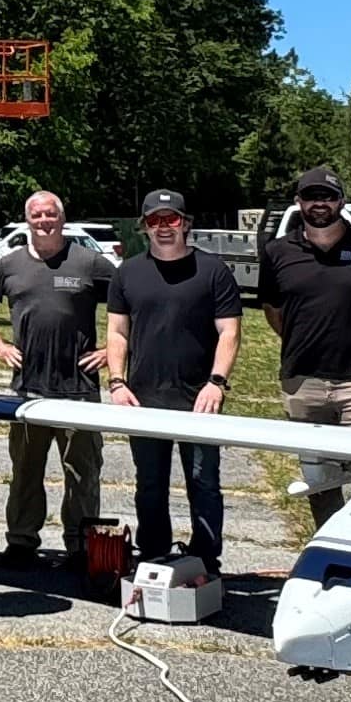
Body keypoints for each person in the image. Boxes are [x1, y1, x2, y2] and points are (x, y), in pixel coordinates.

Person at [101, 188, 241, 601]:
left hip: (200, 397)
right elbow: (116, 331)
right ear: (144, 227)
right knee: (149, 484)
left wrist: (216, 383)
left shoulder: (213, 271)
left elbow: (229, 331)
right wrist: (117, 381)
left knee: (204, 482)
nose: (164, 228)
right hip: (142, 398)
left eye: (172, 220)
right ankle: (155, 552)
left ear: (186, 223)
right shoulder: (127, 273)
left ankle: (207, 558)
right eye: (155, 221)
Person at [254, 168, 351, 514]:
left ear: (341, 201)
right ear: (299, 203)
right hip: (303, 380)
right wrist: (301, 338)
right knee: (319, 481)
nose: (319, 204)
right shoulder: (278, 252)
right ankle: (329, 551)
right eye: (311, 197)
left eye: (327, 196)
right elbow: (273, 310)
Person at [0, 190, 115, 572]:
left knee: (82, 473)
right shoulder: (9, 266)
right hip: (27, 390)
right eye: (37, 215)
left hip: (79, 389)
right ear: (27, 220)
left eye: (51, 214)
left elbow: (135, 304)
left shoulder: (90, 262)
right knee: (25, 470)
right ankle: (22, 540)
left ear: (62, 217)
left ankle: (80, 545)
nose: (44, 221)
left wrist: (112, 351)